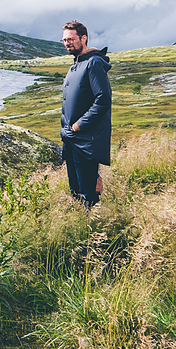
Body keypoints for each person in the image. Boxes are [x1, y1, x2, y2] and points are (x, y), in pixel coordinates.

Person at [60, 20, 112, 208]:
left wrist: (77, 126)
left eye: (71, 39)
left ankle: (93, 231)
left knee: (88, 194)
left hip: (86, 140)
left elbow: (102, 100)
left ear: (84, 38)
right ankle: (81, 228)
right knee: (75, 191)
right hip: (72, 140)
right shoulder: (76, 64)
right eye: (64, 40)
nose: (67, 43)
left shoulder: (94, 63)